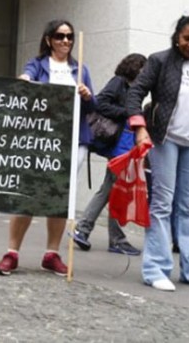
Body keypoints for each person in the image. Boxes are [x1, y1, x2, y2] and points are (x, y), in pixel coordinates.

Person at [126, 12, 189, 292]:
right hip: (163, 140)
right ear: (177, 37)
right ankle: (155, 269)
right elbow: (135, 93)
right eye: (186, 38)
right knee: (162, 204)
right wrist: (140, 127)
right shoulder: (159, 61)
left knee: (187, 206)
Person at [0, 19, 95, 277]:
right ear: (49, 39)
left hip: (71, 140)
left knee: (59, 197)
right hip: (39, 140)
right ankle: (12, 252)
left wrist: (86, 95)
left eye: (70, 36)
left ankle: (52, 254)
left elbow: (93, 107)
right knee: (27, 193)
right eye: (60, 36)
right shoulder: (37, 65)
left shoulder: (80, 69)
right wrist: (25, 81)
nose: (66, 41)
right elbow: (25, 83)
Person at [72, 53, 146, 256]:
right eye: (142, 68)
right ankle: (87, 229)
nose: (145, 73)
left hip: (124, 144)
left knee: (114, 189)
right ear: (134, 67)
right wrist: (127, 112)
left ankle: (109, 237)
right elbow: (101, 102)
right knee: (110, 188)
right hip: (118, 144)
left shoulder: (135, 88)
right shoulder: (119, 82)